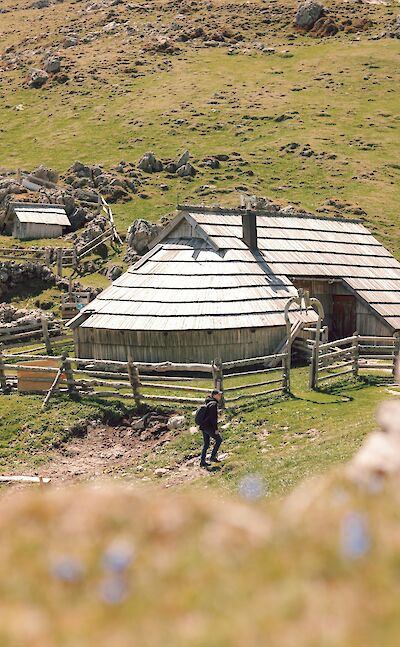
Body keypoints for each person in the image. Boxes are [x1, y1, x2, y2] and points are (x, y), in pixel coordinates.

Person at [199, 389, 223, 468]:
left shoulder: (208, 402)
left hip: (203, 426)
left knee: (206, 444)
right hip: (208, 426)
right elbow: (213, 418)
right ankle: (212, 457)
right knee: (219, 440)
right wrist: (216, 429)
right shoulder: (214, 404)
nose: (220, 396)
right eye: (219, 395)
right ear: (214, 395)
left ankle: (202, 461)